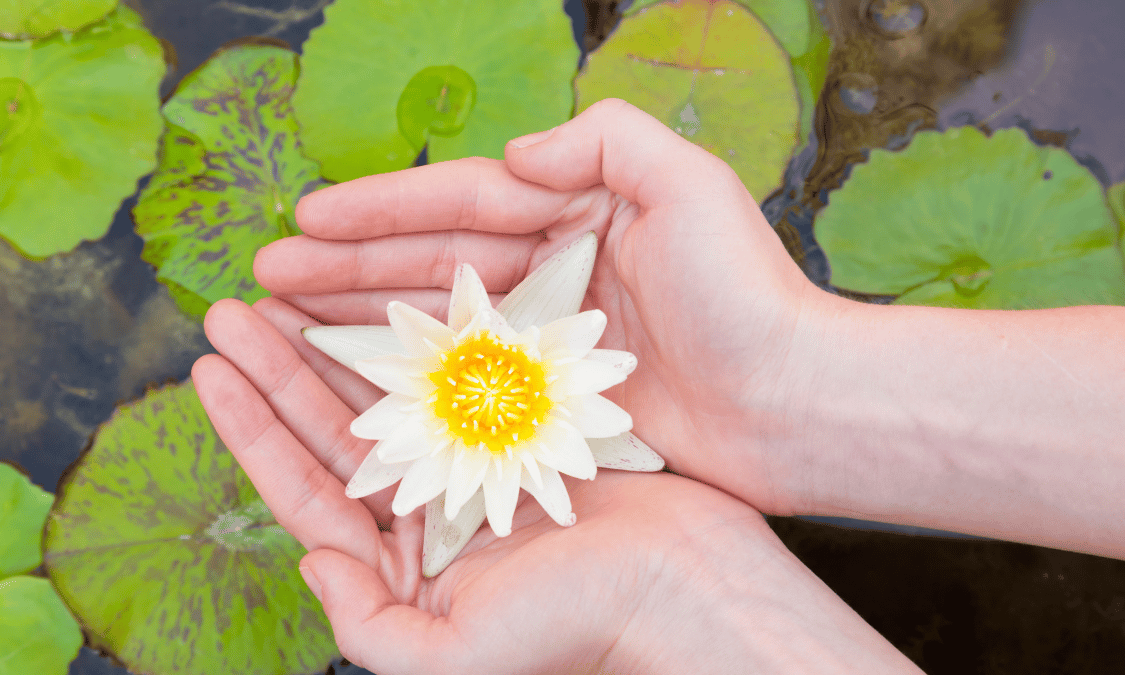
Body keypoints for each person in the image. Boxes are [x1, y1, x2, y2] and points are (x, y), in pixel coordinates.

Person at [191, 99, 1125, 674]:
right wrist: (669, 590)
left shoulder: (570, 358)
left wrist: (788, 386)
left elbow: (606, 426)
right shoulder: (440, 402)